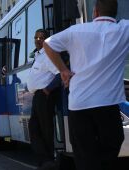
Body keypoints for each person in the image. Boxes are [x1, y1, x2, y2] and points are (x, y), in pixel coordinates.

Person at [43, 0, 129, 169]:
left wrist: (63, 70)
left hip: (79, 106)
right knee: (112, 147)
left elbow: (48, 44)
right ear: (116, 13)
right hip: (108, 106)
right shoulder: (124, 29)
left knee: (84, 156)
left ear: (95, 11)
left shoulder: (76, 31)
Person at [26, 29, 61, 168]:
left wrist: (48, 89)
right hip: (37, 96)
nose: (38, 40)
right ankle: (45, 159)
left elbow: (59, 74)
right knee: (34, 128)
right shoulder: (38, 56)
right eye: (36, 37)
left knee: (46, 129)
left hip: (45, 96)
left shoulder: (48, 55)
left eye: (41, 37)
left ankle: (48, 161)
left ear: (47, 39)